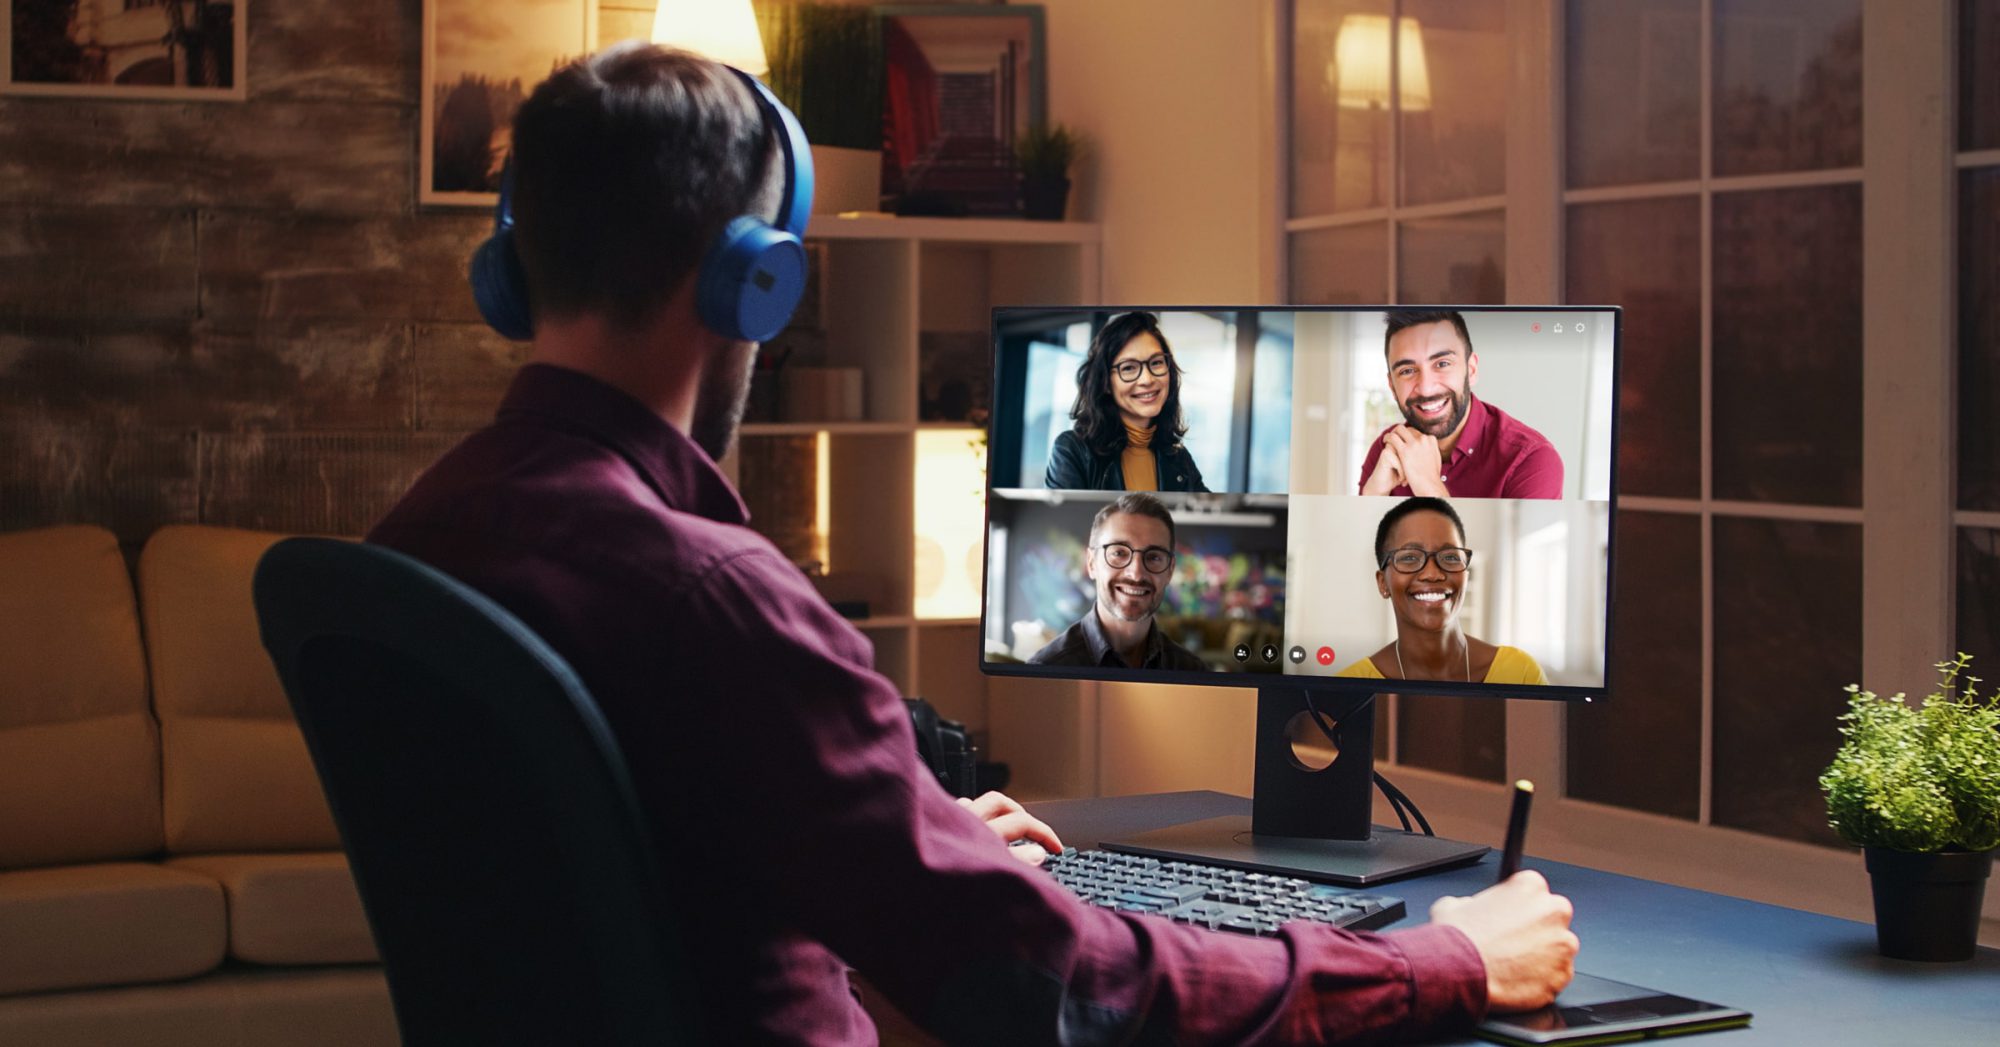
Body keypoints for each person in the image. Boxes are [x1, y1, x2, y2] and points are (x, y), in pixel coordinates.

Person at [371, 44, 1576, 1044]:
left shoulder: (422, 533)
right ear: (761, 287)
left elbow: (637, 870)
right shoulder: (714, 595)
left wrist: (912, 840)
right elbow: (1066, 988)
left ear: (509, 275)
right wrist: (1442, 961)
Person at [1338, 497, 1550, 685]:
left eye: (1450, 557)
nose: (1432, 574)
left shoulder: (1520, 673)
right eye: (1410, 557)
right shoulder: (1347, 686)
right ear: (1383, 583)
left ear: (1466, 574)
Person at [1358, 310, 1564, 500]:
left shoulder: (1532, 460)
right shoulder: (1386, 450)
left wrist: (1428, 486)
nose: (1426, 388)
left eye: (1442, 364)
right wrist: (1373, 495)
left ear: (1471, 369)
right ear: (1392, 386)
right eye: (1407, 371)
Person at [1027, 493, 1209, 671]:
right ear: (1091, 563)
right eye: (1119, 553)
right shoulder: (1046, 671)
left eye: (1153, 557)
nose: (1136, 574)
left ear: (1170, 570)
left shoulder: (1192, 672)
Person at [1044, 311, 1211, 492]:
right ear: (1105, 382)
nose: (1147, 379)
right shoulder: (1072, 450)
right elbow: (1063, 520)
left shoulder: (1179, 458)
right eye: (1129, 368)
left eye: (1156, 363)